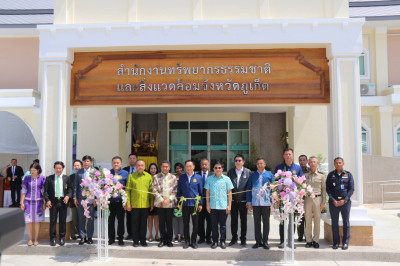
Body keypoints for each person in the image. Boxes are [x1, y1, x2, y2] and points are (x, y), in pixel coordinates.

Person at [275, 148, 303, 248]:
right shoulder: (279, 168)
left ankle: (291, 241)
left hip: (293, 199)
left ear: (293, 155)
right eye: (286, 154)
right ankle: (283, 241)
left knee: (292, 220)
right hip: (283, 199)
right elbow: (276, 183)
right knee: (283, 220)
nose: (288, 156)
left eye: (290, 154)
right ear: (283, 156)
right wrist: (277, 198)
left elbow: (301, 183)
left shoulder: (298, 168)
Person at [326, 157, 354, 250]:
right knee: (335, 223)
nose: (338, 164)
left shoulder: (348, 175)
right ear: (334, 164)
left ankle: (345, 243)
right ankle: (336, 242)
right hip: (334, 203)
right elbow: (328, 189)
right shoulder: (330, 175)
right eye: (336, 163)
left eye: (340, 163)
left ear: (343, 163)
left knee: (346, 222)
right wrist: (333, 200)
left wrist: (345, 200)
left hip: (345, 203)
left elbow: (351, 189)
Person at [246, 158, 274, 249]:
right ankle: (258, 241)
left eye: (261, 163)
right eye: (258, 163)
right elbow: (248, 188)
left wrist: (274, 201)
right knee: (256, 222)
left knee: (266, 223)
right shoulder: (253, 175)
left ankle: (265, 241)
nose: (259, 165)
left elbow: (274, 188)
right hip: (255, 203)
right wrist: (249, 202)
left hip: (266, 203)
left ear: (265, 164)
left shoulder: (269, 175)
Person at [205, 162, 233, 249]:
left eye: (219, 168)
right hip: (213, 206)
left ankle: (223, 241)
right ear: (213, 169)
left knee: (223, 225)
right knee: (213, 225)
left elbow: (229, 193)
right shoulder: (209, 179)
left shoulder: (227, 179)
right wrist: (207, 204)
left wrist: (229, 205)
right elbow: (207, 192)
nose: (217, 169)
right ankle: (215, 241)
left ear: (222, 169)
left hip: (223, 206)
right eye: (216, 168)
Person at [126, 159, 154, 247]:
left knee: (143, 224)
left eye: (142, 165)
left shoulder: (148, 176)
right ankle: (135, 240)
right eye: (138, 165)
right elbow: (127, 191)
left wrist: (152, 202)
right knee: (134, 223)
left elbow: (151, 191)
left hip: (145, 204)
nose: (140, 167)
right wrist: (128, 203)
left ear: (145, 166)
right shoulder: (131, 176)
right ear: (136, 166)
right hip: (134, 205)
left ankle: (143, 240)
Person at [44, 161, 72, 246]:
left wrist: (67, 196)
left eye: (60, 168)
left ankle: (62, 238)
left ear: (62, 169)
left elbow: (70, 189)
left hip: (63, 201)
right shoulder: (49, 178)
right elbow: (45, 191)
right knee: (53, 221)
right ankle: (52, 238)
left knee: (63, 221)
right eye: (57, 168)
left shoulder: (66, 178)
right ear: (54, 168)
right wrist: (47, 200)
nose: (58, 170)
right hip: (53, 202)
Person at [177, 160, 203, 249]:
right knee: (186, 223)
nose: (188, 168)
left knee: (195, 224)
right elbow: (179, 191)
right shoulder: (182, 177)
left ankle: (194, 241)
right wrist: (179, 202)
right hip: (185, 204)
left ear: (194, 167)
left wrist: (200, 204)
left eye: (190, 166)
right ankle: (187, 241)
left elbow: (201, 192)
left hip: (195, 204)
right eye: (187, 166)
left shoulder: (198, 177)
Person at [227, 154, 251, 246]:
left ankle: (243, 239)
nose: (237, 162)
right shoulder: (230, 172)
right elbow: (228, 187)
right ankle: (234, 238)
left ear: (243, 162)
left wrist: (249, 201)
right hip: (233, 202)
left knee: (243, 221)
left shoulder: (248, 172)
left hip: (243, 201)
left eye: (239, 160)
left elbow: (249, 187)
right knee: (233, 221)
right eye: (236, 160)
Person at [152, 160, 178, 247]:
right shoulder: (156, 177)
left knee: (169, 222)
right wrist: (161, 200)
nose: (165, 168)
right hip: (160, 204)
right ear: (161, 167)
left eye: (167, 166)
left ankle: (169, 240)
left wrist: (169, 200)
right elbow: (154, 190)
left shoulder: (173, 177)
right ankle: (162, 239)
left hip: (170, 204)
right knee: (161, 222)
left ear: (169, 167)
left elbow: (175, 191)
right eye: (163, 166)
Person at [20, 163, 46, 246]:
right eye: (31, 170)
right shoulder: (26, 178)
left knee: (37, 221)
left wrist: (44, 203)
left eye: (34, 170)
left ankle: (36, 239)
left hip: (39, 202)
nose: (32, 172)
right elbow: (23, 191)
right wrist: (21, 202)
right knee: (29, 221)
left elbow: (44, 191)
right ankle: (30, 239)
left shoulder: (42, 178)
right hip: (28, 202)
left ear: (38, 170)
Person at [73, 155, 96, 245]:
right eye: (85, 161)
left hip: (91, 198)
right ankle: (82, 237)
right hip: (80, 199)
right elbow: (75, 186)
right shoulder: (79, 172)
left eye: (88, 161)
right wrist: (75, 197)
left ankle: (89, 237)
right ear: (83, 163)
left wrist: (96, 199)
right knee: (81, 219)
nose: (86, 163)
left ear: (90, 162)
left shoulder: (95, 172)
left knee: (90, 219)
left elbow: (98, 186)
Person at [304, 156, 326, 249]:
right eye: (311, 162)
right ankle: (308, 240)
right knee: (308, 220)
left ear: (317, 164)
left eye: (314, 162)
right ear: (308, 164)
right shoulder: (305, 176)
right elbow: (302, 188)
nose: (312, 163)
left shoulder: (322, 176)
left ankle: (316, 240)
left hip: (318, 199)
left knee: (317, 220)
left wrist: (323, 201)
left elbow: (324, 190)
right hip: (307, 199)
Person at [109, 156, 129, 246]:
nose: (116, 164)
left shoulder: (125, 173)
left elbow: (128, 188)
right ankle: (111, 238)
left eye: (117, 163)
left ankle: (120, 238)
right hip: (110, 201)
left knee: (121, 220)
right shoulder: (108, 173)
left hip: (121, 201)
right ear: (112, 163)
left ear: (121, 164)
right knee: (110, 220)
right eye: (114, 163)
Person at [123, 153, 137, 240]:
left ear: (136, 159)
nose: (132, 160)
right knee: (128, 216)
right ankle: (130, 233)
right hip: (127, 196)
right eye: (130, 158)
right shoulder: (125, 170)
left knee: (136, 216)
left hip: (137, 196)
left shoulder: (141, 169)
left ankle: (136, 233)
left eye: (133, 158)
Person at [197, 158, 212, 244]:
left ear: (209, 165)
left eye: (206, 164)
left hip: (210, 203)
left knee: (210, 221)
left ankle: (208, 237)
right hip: (200, 203)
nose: (204, 166)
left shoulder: (212, 175)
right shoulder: (197, 175)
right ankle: (201, 237)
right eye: (203, 164)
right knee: (200, 221)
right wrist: (199, 203)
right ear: (200, 165)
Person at [69, 159, 82, 240]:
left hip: (83, 201)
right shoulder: (70, 177)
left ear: (81, 166)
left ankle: (82, 234)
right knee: (75, 218)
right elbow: (70, 189)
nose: (76, 167)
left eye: (78, 165)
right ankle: (74, 234)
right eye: (75, 165)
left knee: (82, 218)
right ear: (73, 167)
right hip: (73, 201)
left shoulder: (84, 175)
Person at [297, 154, 309, 242]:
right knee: (299, 217)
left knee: (307, 217)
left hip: (308, 197)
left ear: (307, 161)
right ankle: (300, 235)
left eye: (304, 160)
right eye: (300, 160)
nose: (302, 162)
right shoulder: (296, 170)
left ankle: (307, 235)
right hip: (298, 197)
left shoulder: (310, 171)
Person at [147, 163, 160, 242]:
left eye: (154, 168)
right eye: (151, 168)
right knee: (150, 218)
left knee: (156, 218)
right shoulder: (147, 177)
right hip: (148, 201)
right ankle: (150, 234)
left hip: (157, 201)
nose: (153, 170)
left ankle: (157, 234)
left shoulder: (159, 177)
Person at [172, 162, 184, 243]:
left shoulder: (185, 177)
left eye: (180, 168)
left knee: (182, 219)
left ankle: (182, 235)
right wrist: (174, 200)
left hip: (183, 201)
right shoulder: (172, 177)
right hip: (174, 201)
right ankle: (176, 235)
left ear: (182, 169)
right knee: (175, 219)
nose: (178, 169)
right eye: (177, 168)